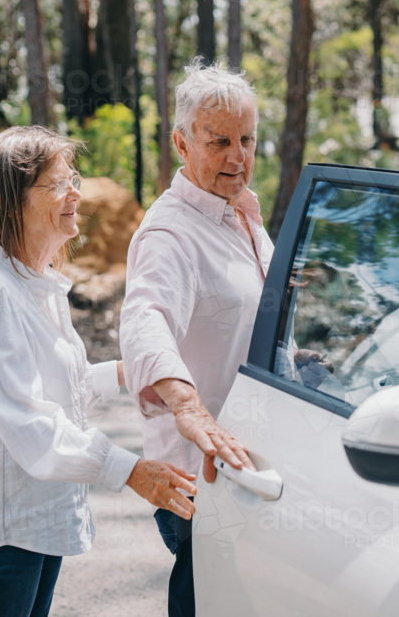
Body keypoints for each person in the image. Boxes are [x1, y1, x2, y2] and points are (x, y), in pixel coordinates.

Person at [0, 126, 196, 617]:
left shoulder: (35, 287)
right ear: (11, 201)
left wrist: (128, 372)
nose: (76, 193)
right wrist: (131, 470)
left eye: (74, 178)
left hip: (31, 521)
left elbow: (57, 391)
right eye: (58, 183)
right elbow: (29, 421)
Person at [120, 61, 268, 616]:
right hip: (200, 476)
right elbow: (145, 318)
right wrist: (188, 405)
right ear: (182, 143)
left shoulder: (242, 212)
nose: (238, 156)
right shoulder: (169, 233)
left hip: (246, 465)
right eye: (221, 141)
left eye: (247, 139)